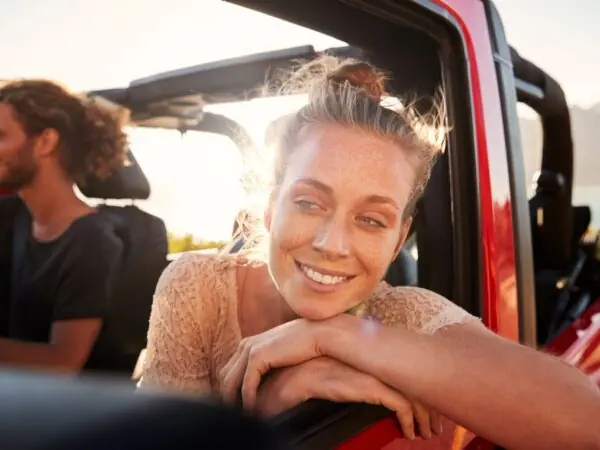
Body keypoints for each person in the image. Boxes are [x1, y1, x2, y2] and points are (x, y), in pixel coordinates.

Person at [139, 58, 600, 449]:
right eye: (309, 203)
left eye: (371, 220)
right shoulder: (197, 286)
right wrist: (264, 409)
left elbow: (585, 420)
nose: (332, 245)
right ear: (268, 209)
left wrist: (337, 336)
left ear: (399, 240)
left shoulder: (399, 315)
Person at [0, 80, 127, 373]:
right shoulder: (11, 216)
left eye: (2, 135)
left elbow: (63, 362)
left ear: (45, 142)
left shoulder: (93, 242)